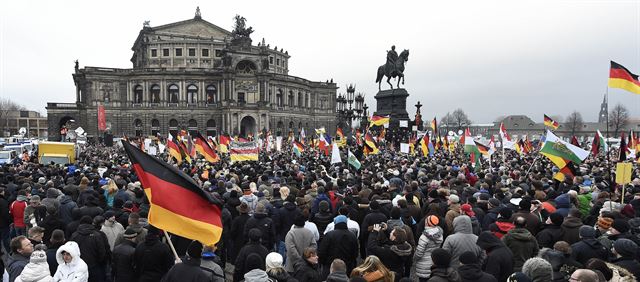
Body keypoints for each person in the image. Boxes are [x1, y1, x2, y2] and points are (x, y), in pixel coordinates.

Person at [414, 215, 444, 280]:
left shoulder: (424, 237)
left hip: (423, 264)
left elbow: (419, 253)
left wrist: (415, 258)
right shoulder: (440, 234)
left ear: (427, 223)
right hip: (434, 262)